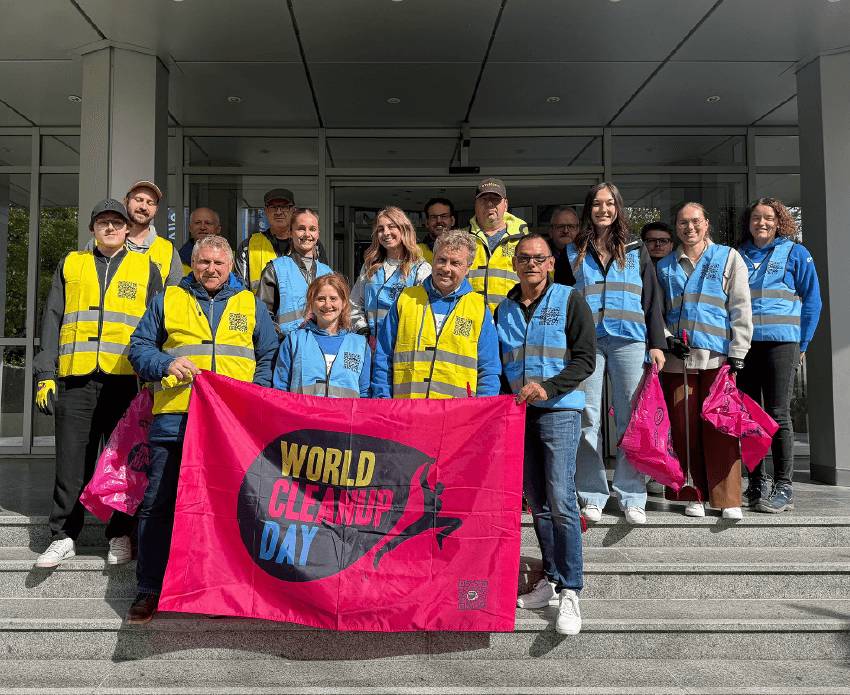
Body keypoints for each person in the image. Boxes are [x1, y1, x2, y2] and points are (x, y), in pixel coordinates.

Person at [125, 234, 279, 623]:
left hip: (231, 427)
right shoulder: (168, 299)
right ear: (193, 264)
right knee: (158, 504)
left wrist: (252, 396)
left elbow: (269, 355)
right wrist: (165, 364)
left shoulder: (250, 304)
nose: (211, 269)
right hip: (176, 420)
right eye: (204, 262)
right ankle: (150, 588)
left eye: (218, 263)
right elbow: (139, 349)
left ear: (230, 267)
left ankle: (222, 589)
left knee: (228, 509)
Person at [32, 199, 163, 569]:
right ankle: (63, 536)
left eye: (117, 223)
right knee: (71, 462)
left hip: (125, 381)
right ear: (92, 228)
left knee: (124, 461)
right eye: (103, 222)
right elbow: (52, 318)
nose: (110, 228)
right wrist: (45, 373)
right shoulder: (71, 264)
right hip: (76, 378)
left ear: (127, 229)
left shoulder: (146, 267)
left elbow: (157, 325)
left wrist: (153, 378)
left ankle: (120, 533)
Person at [495, 234, 596, 636]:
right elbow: (499, 365)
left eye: (539, 258)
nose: (531, 264)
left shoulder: (570, 300)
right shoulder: (503, 308)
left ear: (551, 263)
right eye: (524, 258)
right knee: (536, 501)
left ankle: (571, 588)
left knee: (560, 498)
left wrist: (549, 388)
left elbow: (585, 360)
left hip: (559, 411)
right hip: (519, 415)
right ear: (514, 264)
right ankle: (551, 579)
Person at [556, 182, 667, 525]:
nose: (603, 210)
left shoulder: (636, 249)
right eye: (596, 204)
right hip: (586, 343)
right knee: (586, 417)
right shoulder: (572, 251)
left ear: (618, 207)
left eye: (609, 204)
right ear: (588, 209)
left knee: (630, 418)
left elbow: (651, 299)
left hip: (630, 341)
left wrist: (657, 343)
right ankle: (591, 494)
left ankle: (632, 495)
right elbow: (561, 300)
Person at [657, 202, 752, 519]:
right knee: (684, 429)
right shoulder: (665, 266)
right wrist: (667, 338)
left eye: (695, 221)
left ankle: (728, 499)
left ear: (706, 223)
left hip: (718, 359)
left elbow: (741, 307)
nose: (690, 228)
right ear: (676, 227)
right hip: (678, 362)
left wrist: (738, 352)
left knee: (721, 427)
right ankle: (693, 493)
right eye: (683, 222)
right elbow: (657, 312)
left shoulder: (728, 257)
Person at [736, 197, 821, 513]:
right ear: (748, 223)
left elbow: (812, 301)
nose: (762, 223)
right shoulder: (738, 255)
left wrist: (803, 344)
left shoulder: (796, 253)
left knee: (777, 413)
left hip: (782, 344)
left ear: (779, 221)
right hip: (745, 344)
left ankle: (784, 486)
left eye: (768, 218)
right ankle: (756, 481)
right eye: (756, 218)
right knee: (748, 415)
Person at [372, 230, 500, 399]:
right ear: (432, 260)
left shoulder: (479, 308)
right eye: (441, 260)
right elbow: (383, 357)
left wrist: (482, 410)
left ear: (468, 268)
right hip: (407, 410)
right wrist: (383, 400)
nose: (446, 268)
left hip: (457, 412)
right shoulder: (406, 299)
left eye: (455, 263)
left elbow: (489, 370)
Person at [273, 273, 370, 398]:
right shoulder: (294, 341)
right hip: (303, 411)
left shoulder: (360, 345)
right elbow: (280, 391)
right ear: (311, 303)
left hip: (345, 412)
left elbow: (365, 394)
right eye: (321, 299)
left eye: (333, 299)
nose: (327, 305)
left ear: (344, 303)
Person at [350, 206, 431, 343]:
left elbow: (427, 311)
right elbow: (354, 304)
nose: (386, 233)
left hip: (403, 345)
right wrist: (363, 330)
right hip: (372, 345)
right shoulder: (370, 267)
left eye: (391, 227)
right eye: (380, 229)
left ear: (404, 229)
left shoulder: (420, 269)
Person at [236, 188, 328, 293]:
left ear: (293, 210)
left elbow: (324, 285)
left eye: (284, 207)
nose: (279, 212)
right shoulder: (248, 246)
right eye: (273, 207)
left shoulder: (312, 245)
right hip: (261, 304)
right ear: (266, 211)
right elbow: (240, 292)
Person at [257, 208, 332, 336]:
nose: (307, 234)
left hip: (321, 343)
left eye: (312, 229)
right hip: (286, 344)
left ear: (318, 233)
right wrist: (280, 339)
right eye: (301, 229)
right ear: (290, 232)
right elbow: (263, 316)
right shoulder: (275, 269)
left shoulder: (328, 273)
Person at [466, 177, 528, 312]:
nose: (490, 204)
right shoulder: (462, 239)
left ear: (505, 204)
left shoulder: (526, 240)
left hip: (511, 317)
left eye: (495, 199)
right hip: (470, 316)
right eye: (484, 199)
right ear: (475, 204)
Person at [124, 181, 183, 287]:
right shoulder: (104, 243)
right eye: (139, 200)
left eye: (150, 203)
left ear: (156, 209)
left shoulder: (169, 252)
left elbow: (173, 294)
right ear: (126, 201)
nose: (143, 207)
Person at [178, 207, 221, 275]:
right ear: (190, 228)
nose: (202, 227)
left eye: (208, 223)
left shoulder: (230, 258)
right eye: (197, 223)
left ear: (218, 229)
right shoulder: (177, 259)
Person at [419, 197, 456, 263]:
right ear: (427, 222)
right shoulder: (415, 252)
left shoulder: (465, 250)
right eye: (433, 217)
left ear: (452, 221)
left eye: (444, 216)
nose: (439, 221)